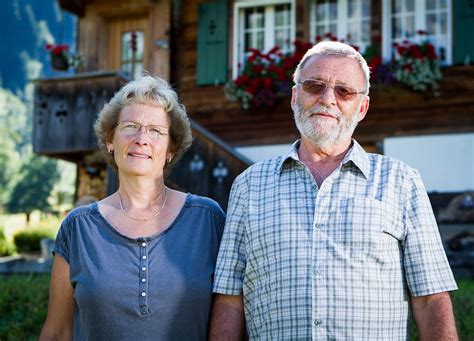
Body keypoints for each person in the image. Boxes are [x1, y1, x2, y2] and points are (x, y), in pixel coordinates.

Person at [210, 41, 458, 340]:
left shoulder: (401, 181)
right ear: (294, 96)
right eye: (315, 86)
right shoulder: (249, 186)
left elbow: (431, 298)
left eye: (344, 91)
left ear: (362, 107)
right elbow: (229, 297)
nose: (328, 99)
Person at [40, 75, 225, 340]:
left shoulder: (208, 219)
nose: (142, 138)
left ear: (171, 148)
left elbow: (233, 318)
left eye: (156, 131)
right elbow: (57, 332)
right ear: (110, 140)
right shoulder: (78, 227)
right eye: (130, 126)